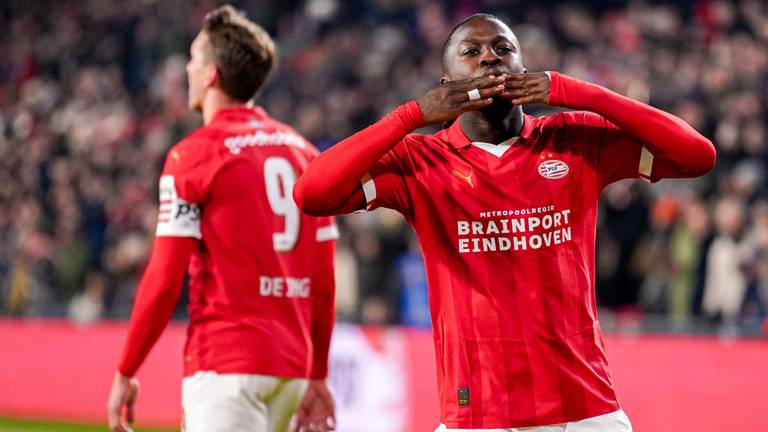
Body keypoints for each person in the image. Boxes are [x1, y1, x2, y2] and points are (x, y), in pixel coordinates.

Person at [294, 13, 715, 432]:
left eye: (503, 49)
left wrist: (580, 93)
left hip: (585, 409)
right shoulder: (417, 162)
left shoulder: (574, 139)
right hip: (478, 415)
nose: (490, 60)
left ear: (524, 72)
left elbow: (697, 155)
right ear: (447, 85)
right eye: (471, 52)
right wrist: (410, 116)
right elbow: (311, 193)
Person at [107, 6, 337, 432]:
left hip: (226, 364)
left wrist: (126, 369)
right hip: (291, 369)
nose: (188, 69)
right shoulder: (307, 154)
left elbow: (163, 280)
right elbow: (324, 283)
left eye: (194, 59)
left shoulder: (192, 155)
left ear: (211, 74)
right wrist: (318, 373)